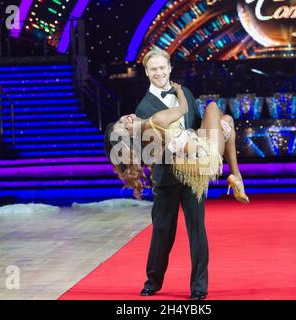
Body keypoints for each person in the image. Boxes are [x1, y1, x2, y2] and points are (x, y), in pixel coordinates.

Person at [104, 49, 248, 300]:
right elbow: (150, 150)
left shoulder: (187, 93)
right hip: (167, 177)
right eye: (153, 69)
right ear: (147, 73)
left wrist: (218, 134)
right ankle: (153, 281)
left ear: (169, 68)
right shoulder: (143, 107)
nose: (159, 73)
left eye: (162, 68)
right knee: (162, 232)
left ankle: (199, 288)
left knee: (197, 229)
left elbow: (195, 127)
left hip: (193, 175)